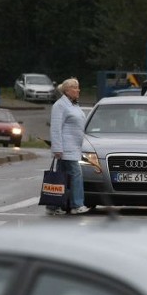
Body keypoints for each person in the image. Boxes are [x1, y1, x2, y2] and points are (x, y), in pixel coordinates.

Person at [48, 77, 89, 215]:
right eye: (75, 88)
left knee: (61, 178)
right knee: (76, 174)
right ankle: (77, 204)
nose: (78, 90)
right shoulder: (60, 105)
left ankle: (54, 205)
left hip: (73, 148)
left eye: (78, 87)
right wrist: (57, 148)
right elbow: (56, 128)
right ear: (67, 90)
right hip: (66, 149)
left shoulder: (73, 105)